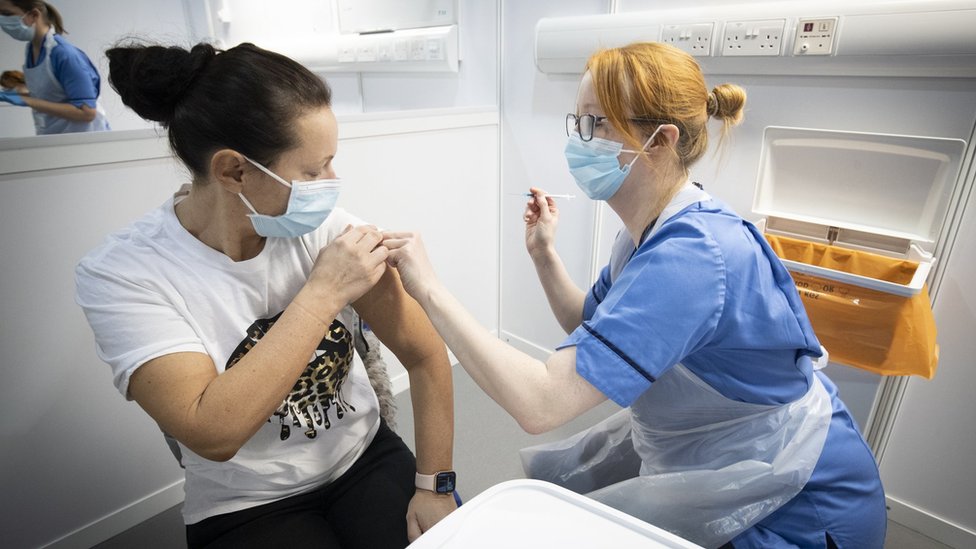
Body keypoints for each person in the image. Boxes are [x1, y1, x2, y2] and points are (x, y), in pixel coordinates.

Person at [382, 42, 886, 548]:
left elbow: (542, 403)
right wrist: (543, 254)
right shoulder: (649, 231)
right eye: (577, 122)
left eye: (596, 124)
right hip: (723, 461)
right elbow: (588, 322)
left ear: (661, 140)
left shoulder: (693, 257)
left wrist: (429, 289)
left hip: (795, 502)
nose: (579, 140)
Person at [75, 41, 456, 549]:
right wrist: (323, 293)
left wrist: (435, 485)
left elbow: (425, 354)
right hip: (245, 503)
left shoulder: (327, 231)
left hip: (362, 457)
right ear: (233, 171)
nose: (333, 185)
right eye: (313, 171)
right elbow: (213, 432)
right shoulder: (124, 274)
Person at [0, 0, 109, 134]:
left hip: (85, 139)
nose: (2, 20)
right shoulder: (31, 50)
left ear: (34, 15)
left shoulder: (64, 54)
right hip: (54, 137)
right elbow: (54, 97)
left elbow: (87, 113)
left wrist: (27, 100)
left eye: (7, 14)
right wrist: (19, 94)